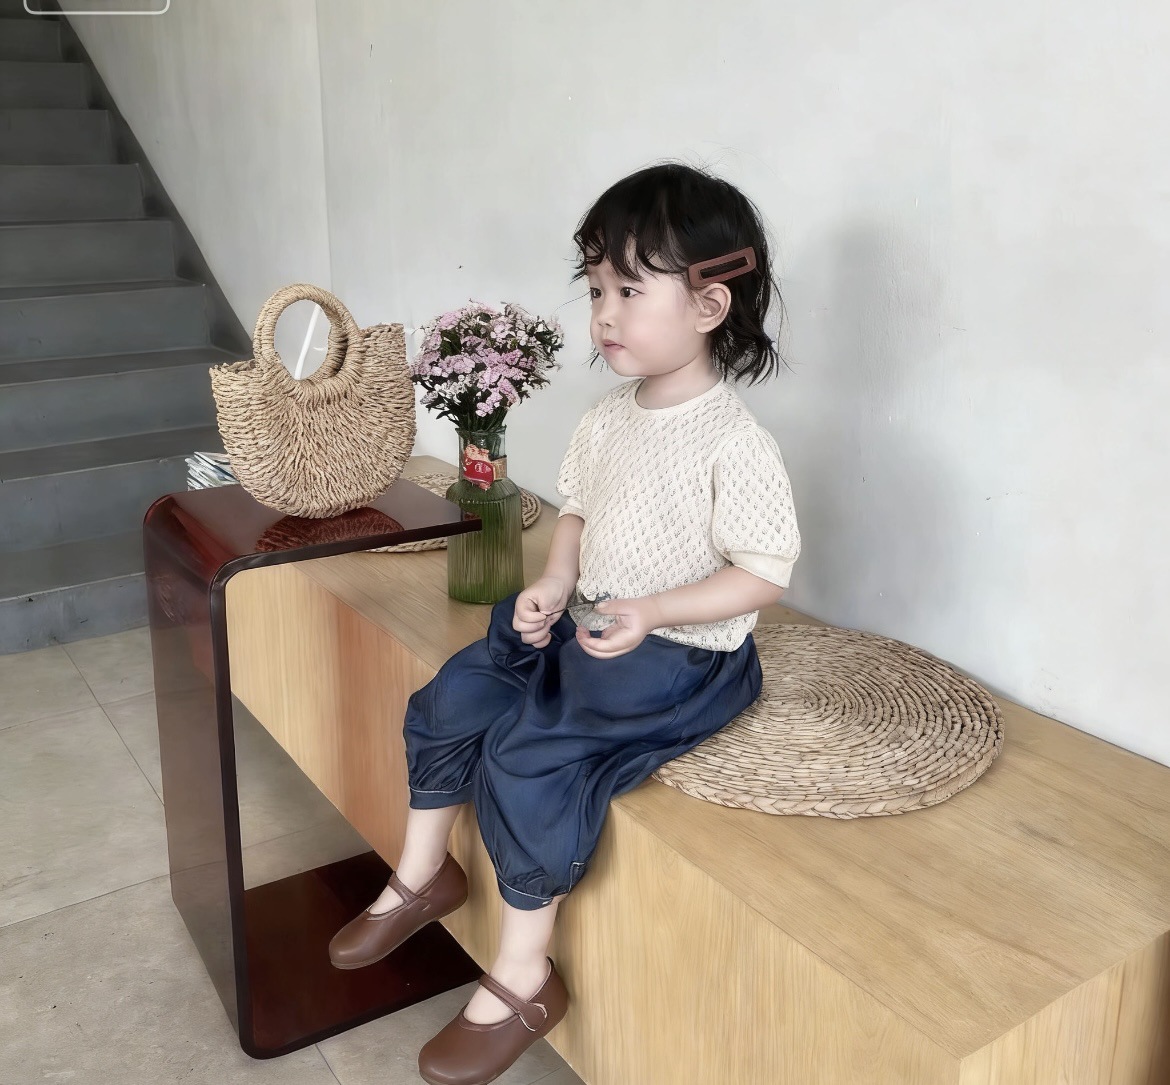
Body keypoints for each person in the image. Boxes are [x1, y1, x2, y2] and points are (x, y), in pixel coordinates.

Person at [328, 161, 802, 1085]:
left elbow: (763, 576)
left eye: (629, 290)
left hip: (681, 654)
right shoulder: (606, 419)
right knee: (464, 687)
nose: (604, 315)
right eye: (595, 290)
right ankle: (422, 873)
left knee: (529, 752)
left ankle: (522, 975)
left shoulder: (735, 442)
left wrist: (654, 610)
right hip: (594, 619)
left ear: (709, 305)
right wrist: (553, 579)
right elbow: (578, 514)